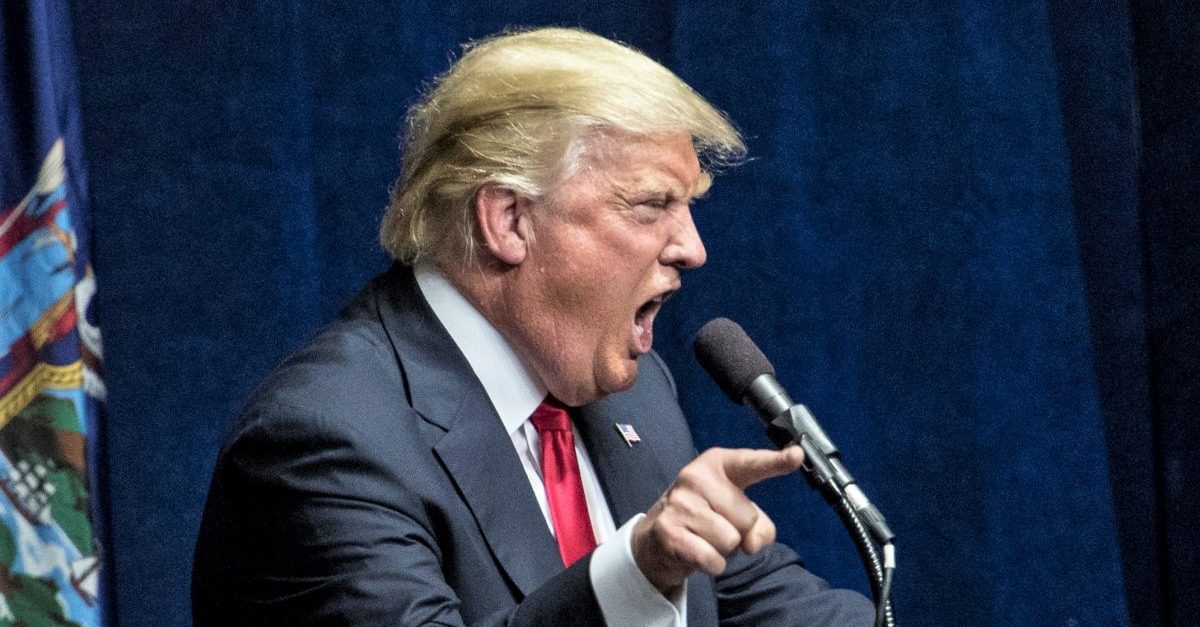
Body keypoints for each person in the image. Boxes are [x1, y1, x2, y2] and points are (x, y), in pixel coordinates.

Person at [191, 27, 874, 626]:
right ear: (509, 220)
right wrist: (632, 574)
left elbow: (763, 605)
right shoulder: (322, 438)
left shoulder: (633, 394)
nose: (692, 248)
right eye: (651, 204)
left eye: (687, 204)